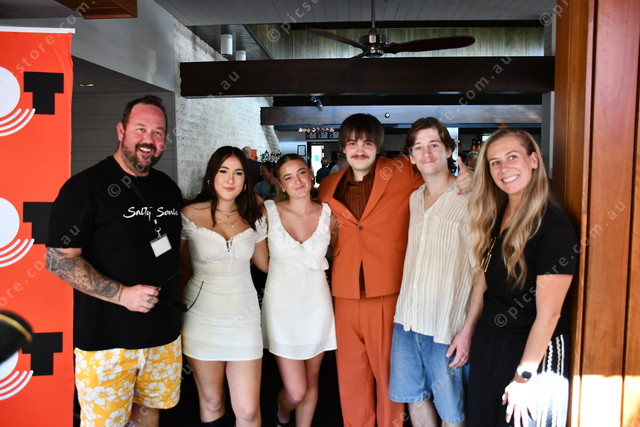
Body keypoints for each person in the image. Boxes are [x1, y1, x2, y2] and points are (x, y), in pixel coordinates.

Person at [317, 113, 472, 427]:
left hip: (389, 290)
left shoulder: (401, 171)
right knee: (350, 377)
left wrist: (471, 178)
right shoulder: (329, 186)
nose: (360, 150)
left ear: (379, 146)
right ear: (342, 148)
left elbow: (438, 180)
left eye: (368, 143)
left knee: (391, 377)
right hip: (344, 293)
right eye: (352, 143)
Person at [46, 95, 183, 426]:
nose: (149, 139)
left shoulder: (168, 189)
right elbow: (57, 260)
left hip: (162, 336)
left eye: (158, 132)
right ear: (121, 131)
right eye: (140, 129)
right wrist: (123, 295)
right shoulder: (83, 188)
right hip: (106, 344)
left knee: (148, 417)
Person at [466, 129, 577, 427]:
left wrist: (523, 378)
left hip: (531, 357)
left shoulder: (554, 227)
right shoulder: (497, 214)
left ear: (533, 161)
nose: (504, 168)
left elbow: (549, 315)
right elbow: (484, 276)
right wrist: (467, 331)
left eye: (512, 157)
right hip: (490, 345)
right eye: (495, 162)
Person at [389, 118, 485, 427]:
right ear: (411, 157)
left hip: (446, 324)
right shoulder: (415, 199)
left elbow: (482, 273)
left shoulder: (473, 198)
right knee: (414, 397)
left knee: (451, 411)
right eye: (418, 147)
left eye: (434, 145)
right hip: (407, 319)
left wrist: (467, 329)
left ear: (448, 150)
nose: (426, 153)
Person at [180, 146, 269, 427]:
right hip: (201, 318)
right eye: (223, 171)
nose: (230, 179)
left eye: (238, 173)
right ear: (211, 177)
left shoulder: (255, 215)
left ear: (245, 180)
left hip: (244, 318)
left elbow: (265, 265)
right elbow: (177, 267)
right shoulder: (189, 214)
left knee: (248, 410)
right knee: (212, 402)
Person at [261, 154, 337, 427]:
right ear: (281, 184)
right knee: (296, 390)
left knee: (312, 381)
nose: (298, 181)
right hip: (281, 309)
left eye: (302, 172)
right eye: (289, 177)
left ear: (311, 174)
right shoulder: (268, 212)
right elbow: (261, 261)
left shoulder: (328, 213)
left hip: (317, 306)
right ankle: (282, 414)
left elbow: (338, 253)